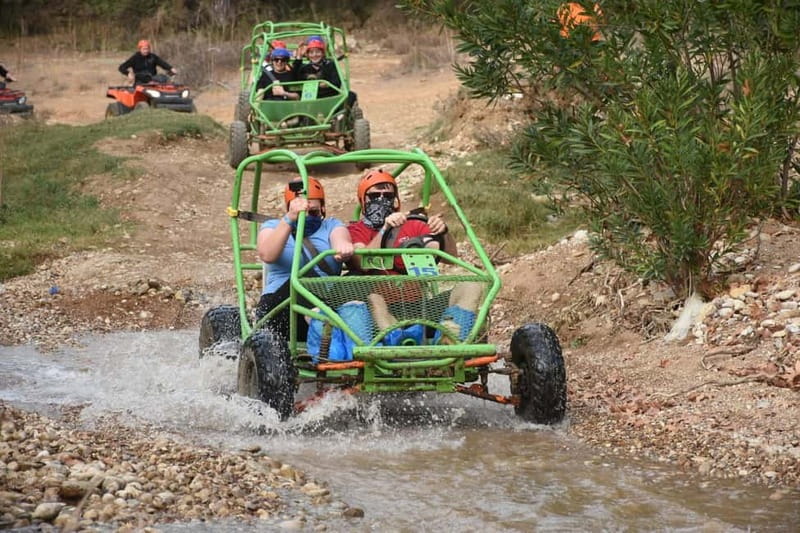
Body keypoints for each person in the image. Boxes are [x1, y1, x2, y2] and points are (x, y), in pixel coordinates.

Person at [255, 176, 354, 340]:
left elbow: (340, 239)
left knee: (357, 282)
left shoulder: (331, 225)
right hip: (281, 306)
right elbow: (267, 254)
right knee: (302, 280)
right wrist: (290, 219)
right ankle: (320, 324)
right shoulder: (273, 227)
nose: (307, 217)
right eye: (303, 213)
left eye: (313, 212)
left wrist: (343, 247)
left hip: (326, 300)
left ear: (323, 208)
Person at [347, 169, 457, 275]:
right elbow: (362, 264)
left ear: (395, 199)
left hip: (415, 292)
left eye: (388, 196)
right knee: (374, 296)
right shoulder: (355, 230)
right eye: (374, 196)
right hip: (378, 291)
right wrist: (385, 229)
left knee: (469, 286)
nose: (381, 200)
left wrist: (443, 232)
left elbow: (451, 258)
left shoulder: (413, 223)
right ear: (362, 199)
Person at [292, 37, 357, 107]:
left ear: (323, 53)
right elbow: (293, 78)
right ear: (307, 55)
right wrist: (299, 57)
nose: (315, 55)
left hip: (329, 98)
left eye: (317, 52)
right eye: (311, 52)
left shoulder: (330, 65)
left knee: (351, 95)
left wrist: (327, 84)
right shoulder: (304, 68)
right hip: (310, 100)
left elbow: (337, 82)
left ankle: (341, 116)